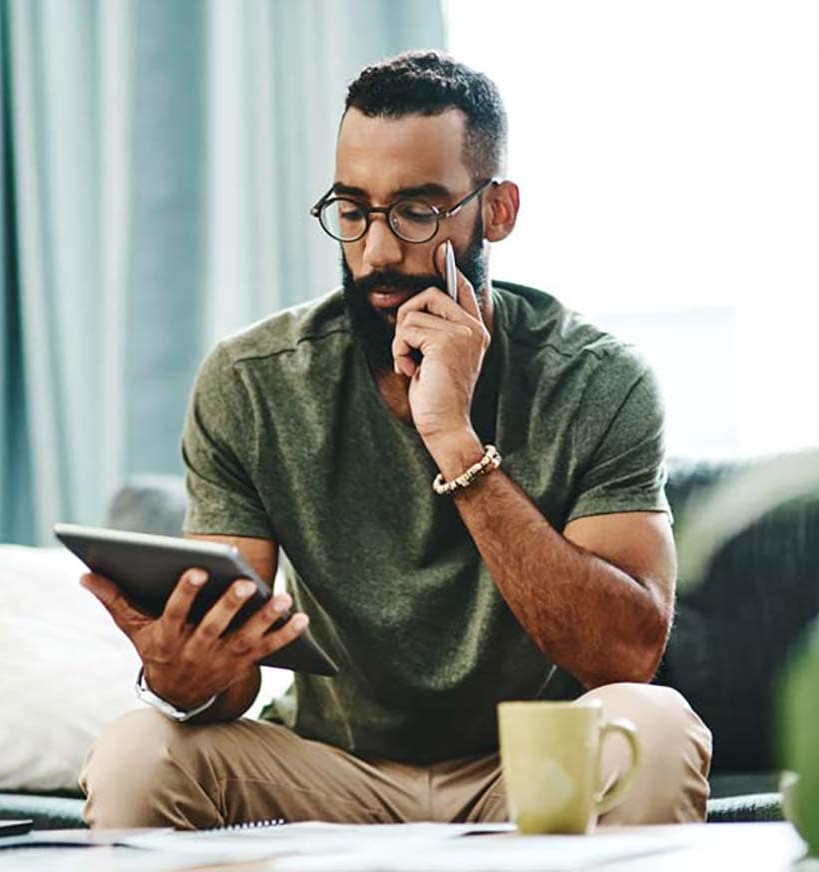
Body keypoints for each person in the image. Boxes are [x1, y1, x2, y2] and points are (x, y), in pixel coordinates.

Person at [79, 50, 711, 829]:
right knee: (136, 749)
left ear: (498, 210)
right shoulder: (252, 379)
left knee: (652, 727)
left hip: (528, 767)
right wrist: (184, 673)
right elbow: (230, 686)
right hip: (327, 769)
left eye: (416, 211)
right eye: (352, 210)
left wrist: (453, 437)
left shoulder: (597, 379)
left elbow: (624, 660)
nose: (376, 250)